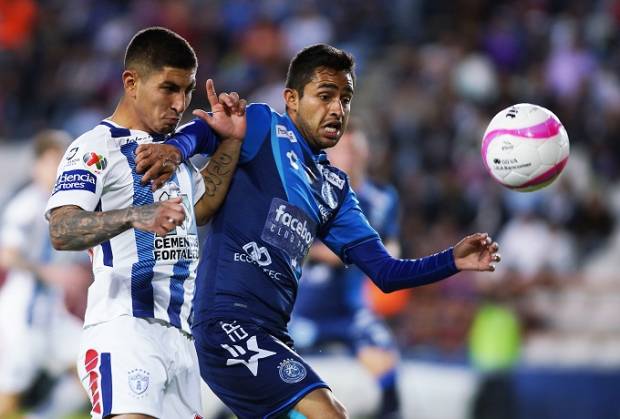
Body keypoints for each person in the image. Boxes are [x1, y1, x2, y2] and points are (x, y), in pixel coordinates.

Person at [137, 43, 501, 419]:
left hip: (274, 334)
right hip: (226, 322)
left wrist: (452, 260)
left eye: (346, 99)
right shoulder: (264, 126)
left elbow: (386, 273)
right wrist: (176, 150)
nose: (337, 109)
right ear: (291, 100)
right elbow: (208, 130)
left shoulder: (335, 190)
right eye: (325, 96)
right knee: (329, 414)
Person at [45, 27, 247, 419]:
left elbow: (201, 208)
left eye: (187, 91)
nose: (180, 103)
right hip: (125, 331)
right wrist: (136, 215)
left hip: (181, 340)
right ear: (131, 82)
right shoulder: (94, 147)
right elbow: (61, 229)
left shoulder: (172, 155)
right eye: (168, 88)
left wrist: (231, 143)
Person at [289, 122, 403, 418]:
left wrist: (388, 261)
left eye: (355, 148)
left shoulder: (383, 197)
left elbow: (390, 245)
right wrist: (359, 254)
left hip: (352, 307)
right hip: (309, 305)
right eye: (342, 149)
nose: (349, 155)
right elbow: (295, 244)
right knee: (276, 375)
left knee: (387, 368)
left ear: (366, 152)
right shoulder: (311, 191)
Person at [0, 129, 90, 418]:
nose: (58, 168)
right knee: (8, 399)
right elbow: (6, 255)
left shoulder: (67, 208)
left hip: (52, 314)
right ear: (37, 165)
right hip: (21, 318)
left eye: (63, 161)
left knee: (92, 367)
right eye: (52, 161)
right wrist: (50, 273)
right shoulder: (27, 205)